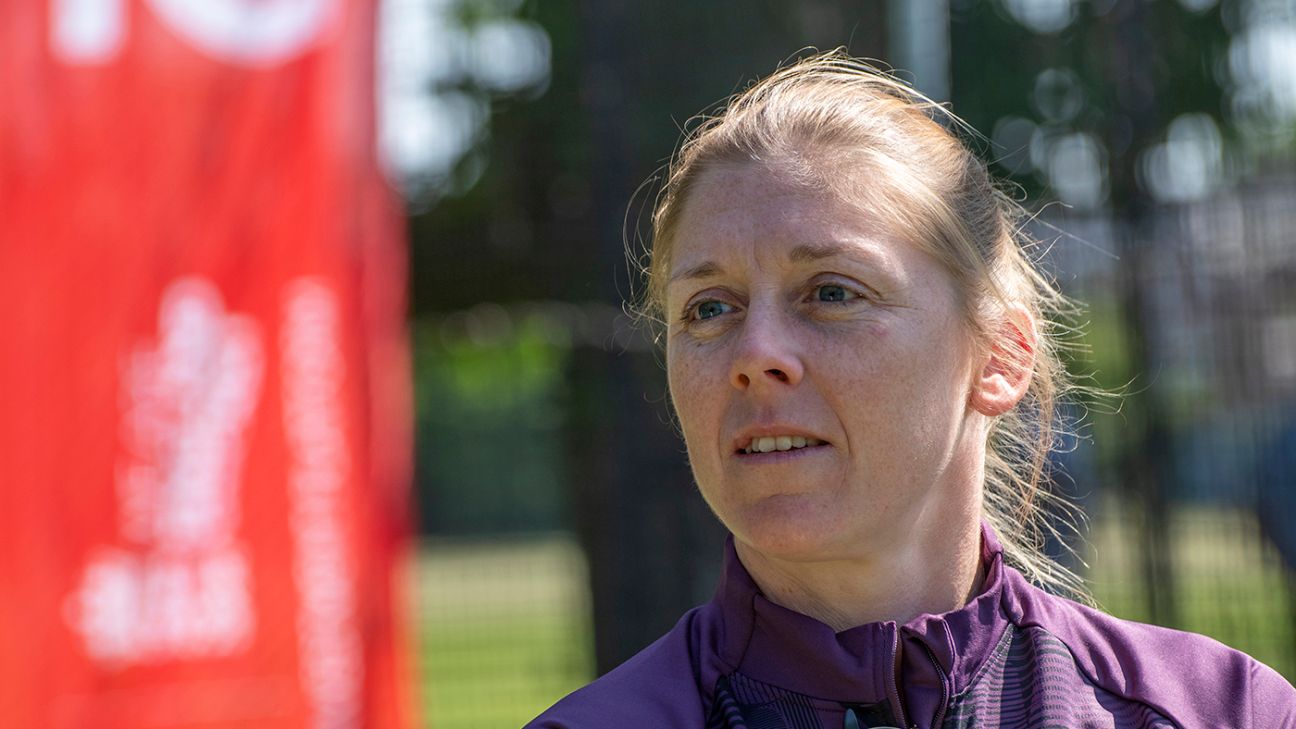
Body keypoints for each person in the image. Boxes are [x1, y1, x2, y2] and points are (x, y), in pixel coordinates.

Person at [526, 51, 1296, 728]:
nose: (755, 353)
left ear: (1000, 356)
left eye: (831, 292)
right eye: (709, 308)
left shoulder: (1222, 711)